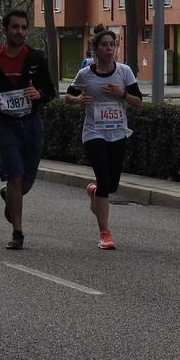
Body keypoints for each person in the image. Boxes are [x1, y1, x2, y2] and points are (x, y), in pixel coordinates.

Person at [0, 9, 56, 250]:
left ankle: (10, 197)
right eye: (15, 27)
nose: (20, 32)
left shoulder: (36, 58)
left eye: (23, 27)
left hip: (32, 124)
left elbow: (51, 92)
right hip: (5, 124)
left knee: (26, 183)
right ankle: (17, 232)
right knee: (15, 175)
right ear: (4, 30)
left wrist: (39, 94)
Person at [64, 27, 143, 249]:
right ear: (95, 50)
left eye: (112, 44)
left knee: (112, 184)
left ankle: (94, 190)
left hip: (118, 132)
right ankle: (105, 233)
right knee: (105, 180)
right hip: (93, 132)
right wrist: (78, 100)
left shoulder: (124, 71)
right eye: (104, 45)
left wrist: (122, 94)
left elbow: (138, 103)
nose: (109, 48)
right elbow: (68, 96)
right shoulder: (86, 74)